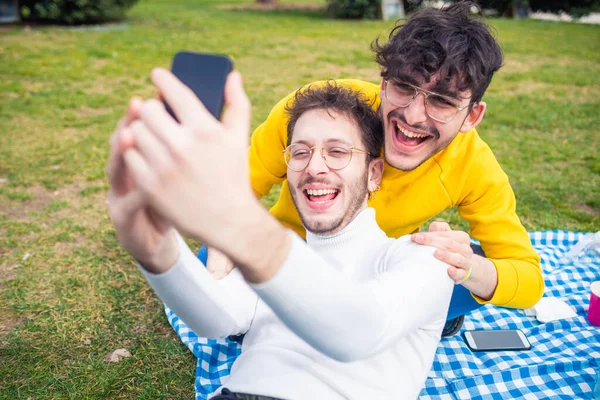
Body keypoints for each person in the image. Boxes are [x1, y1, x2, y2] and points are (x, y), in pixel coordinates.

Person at [108, 76, 454, 399]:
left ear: (374, 174)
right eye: (300, 152)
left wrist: (242, 224)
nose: (314, 167)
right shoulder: (279, 266)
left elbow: (359, 331)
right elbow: (217, 320)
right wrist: (154, 248)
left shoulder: (423, 257)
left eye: (337, 151)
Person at [224, 2, 544, 331]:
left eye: (442, 101)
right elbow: (229, 198)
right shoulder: (313, 113)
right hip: (289, 262)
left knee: (472, 261)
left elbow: (528, 279)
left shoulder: (474, 166)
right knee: (214, 265)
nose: (413, 116)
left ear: (472, 116)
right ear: (383, 82)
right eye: (404, 87)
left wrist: (466, 268)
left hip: (381, 277)